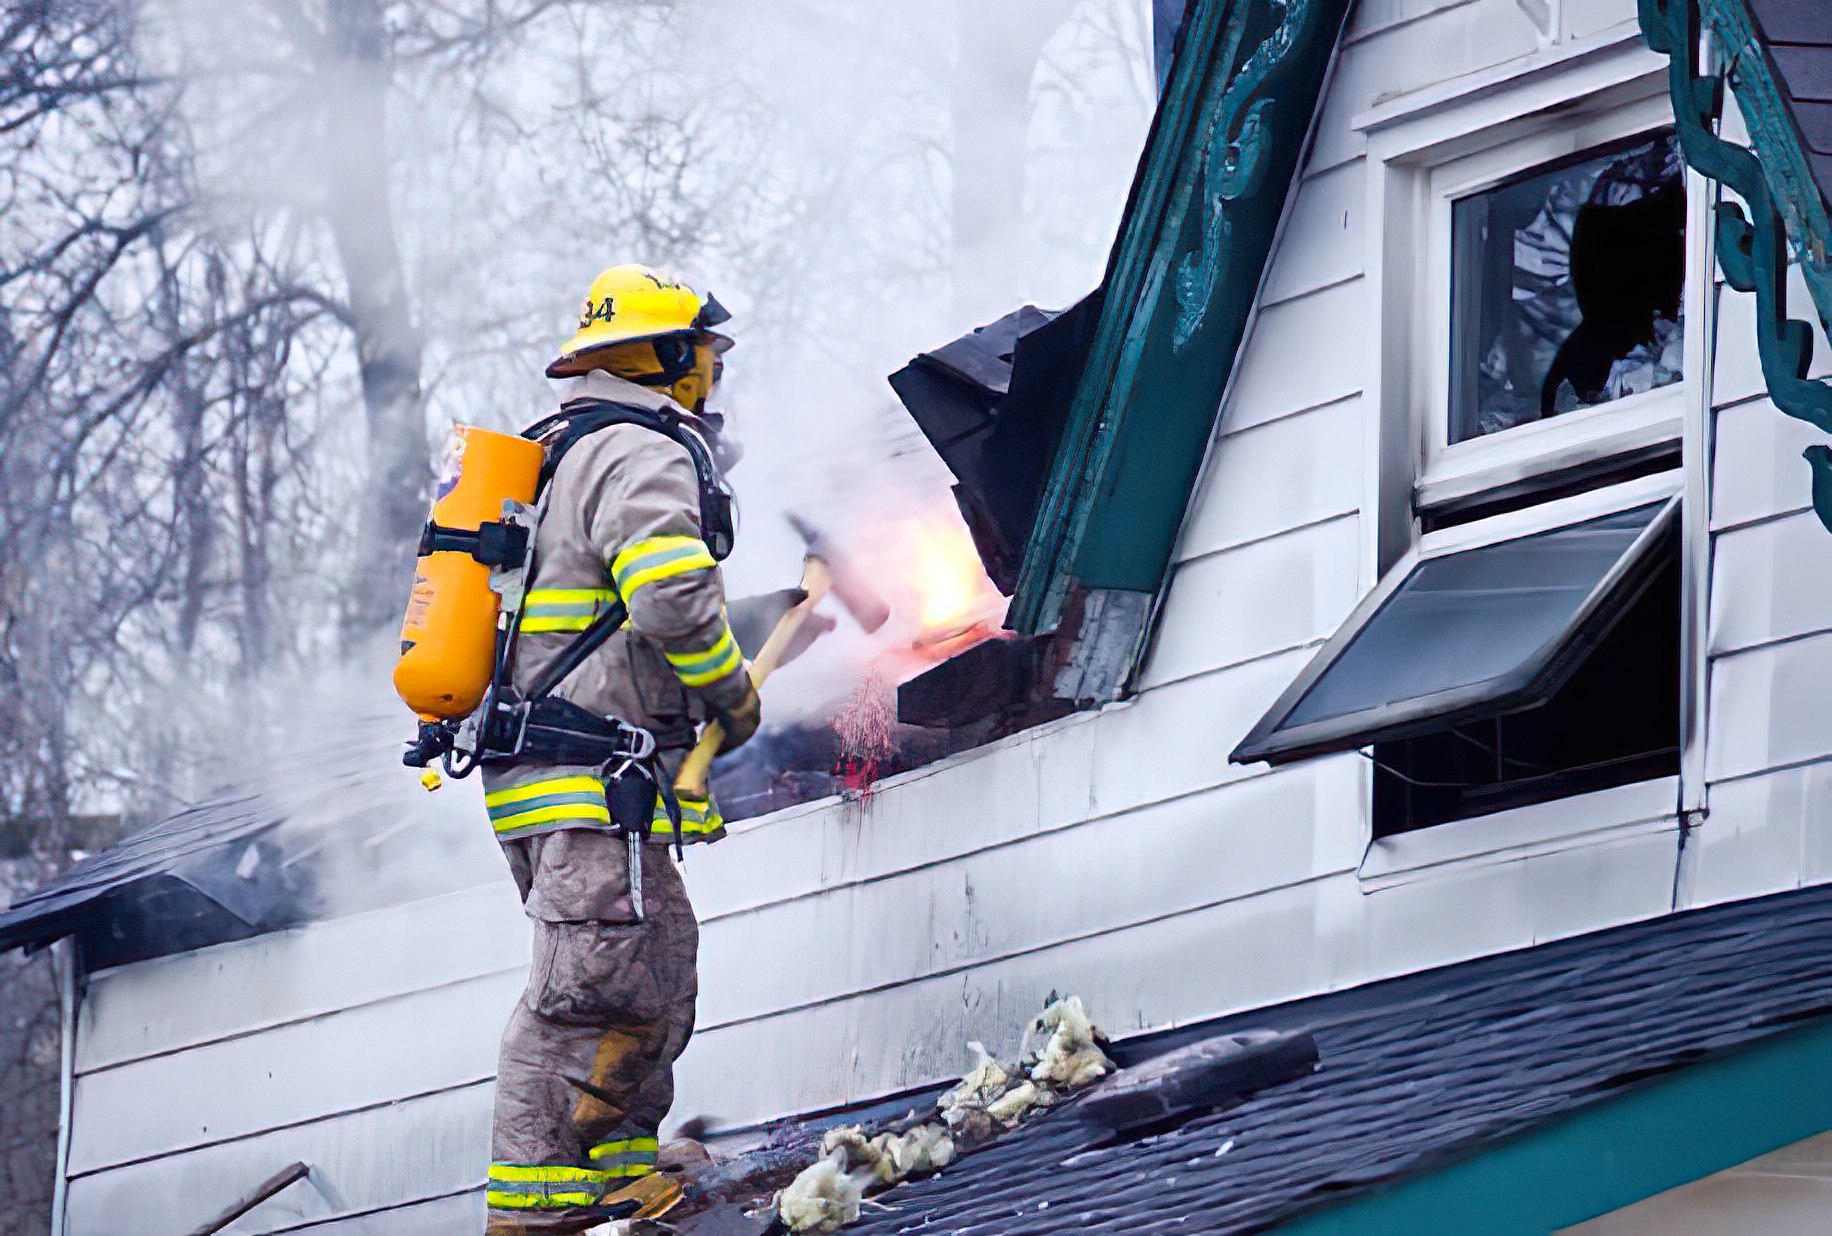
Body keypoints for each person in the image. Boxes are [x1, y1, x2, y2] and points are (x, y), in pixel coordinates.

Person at [482, 264, 760, 1233]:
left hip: (560, 783)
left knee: (653, 971)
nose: (711, 384)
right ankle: (532, 1214)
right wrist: (733, 691)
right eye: (705, 361)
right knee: (586, 993)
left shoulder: (559, 452)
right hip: (591, 783)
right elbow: (671, 597)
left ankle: (616, 1180)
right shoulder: (639, 452)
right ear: (669, 360)